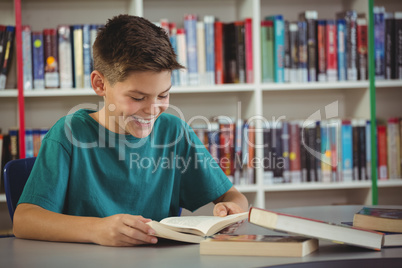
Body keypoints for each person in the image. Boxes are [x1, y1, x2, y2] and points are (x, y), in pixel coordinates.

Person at [13, 15, 248, 247]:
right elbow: (24, 220)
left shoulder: (174, 132)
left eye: (163, 95)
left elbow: (234, 197)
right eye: (137, 97)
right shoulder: (68, 134)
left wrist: (232, 210)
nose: (153, 109)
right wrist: (97, 229)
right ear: (100, 84)